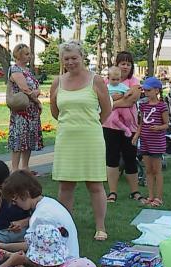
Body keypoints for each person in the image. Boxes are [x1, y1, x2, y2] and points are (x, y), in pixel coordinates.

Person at [50, 40, 112, 241]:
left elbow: (106, 109)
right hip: (67, 137)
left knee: (95, 184)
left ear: (82, 57)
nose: (70, 62)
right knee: (66, 185)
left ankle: (100, 227)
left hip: (90, 137)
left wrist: (92, 123)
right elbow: (55, 111)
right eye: (66, 59)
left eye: (74, 58)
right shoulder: (57, 82)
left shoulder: (96, 80)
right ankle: (66, 225)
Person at [0, 169, 79, 257]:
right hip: (69, 257)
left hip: (61, 264)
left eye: (14, 199)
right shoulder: (49, 203)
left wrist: (3, 247)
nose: (14, 204)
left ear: (25, 194)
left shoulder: (40, 216)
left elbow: (31, 245)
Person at [103, 51, 144, 204]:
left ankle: (135, 191)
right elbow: (101, 100)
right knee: (111, 158)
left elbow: (131, 101)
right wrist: (116, 100)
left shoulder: (134, 82)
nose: (125, 66)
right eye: (122, 63)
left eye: (128, 64)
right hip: (109, 126)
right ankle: (112, 192)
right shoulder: (106, 81)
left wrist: (112, 104)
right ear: (117, 65)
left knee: (130, 158)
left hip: (130, 126)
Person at [132, 76, 169, 207]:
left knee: (157, 170)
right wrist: (137, 135)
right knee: (148, 170)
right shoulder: (143, 106)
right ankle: (151, 196)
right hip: (145, 141)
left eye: (148, 90)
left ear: (156, 91)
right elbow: (141, 123)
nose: (146, 93)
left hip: (157, 142)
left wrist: (158, 127)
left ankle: (159, 197)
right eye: (145, 91)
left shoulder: (162, 106)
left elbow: (166, 124)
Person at [7, 43, 44, 172]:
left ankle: (25, 167)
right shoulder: (16, 70)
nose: (30, 56)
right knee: (19, 138)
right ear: (19, 55)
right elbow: (24, 88)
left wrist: (36, 92)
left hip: (31, 111)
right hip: (21, 110)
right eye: (27, 54)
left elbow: (34, 88)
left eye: (29, 54)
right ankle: (16, 169)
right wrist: (37, 101)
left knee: (28, 138)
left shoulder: (27, 71)